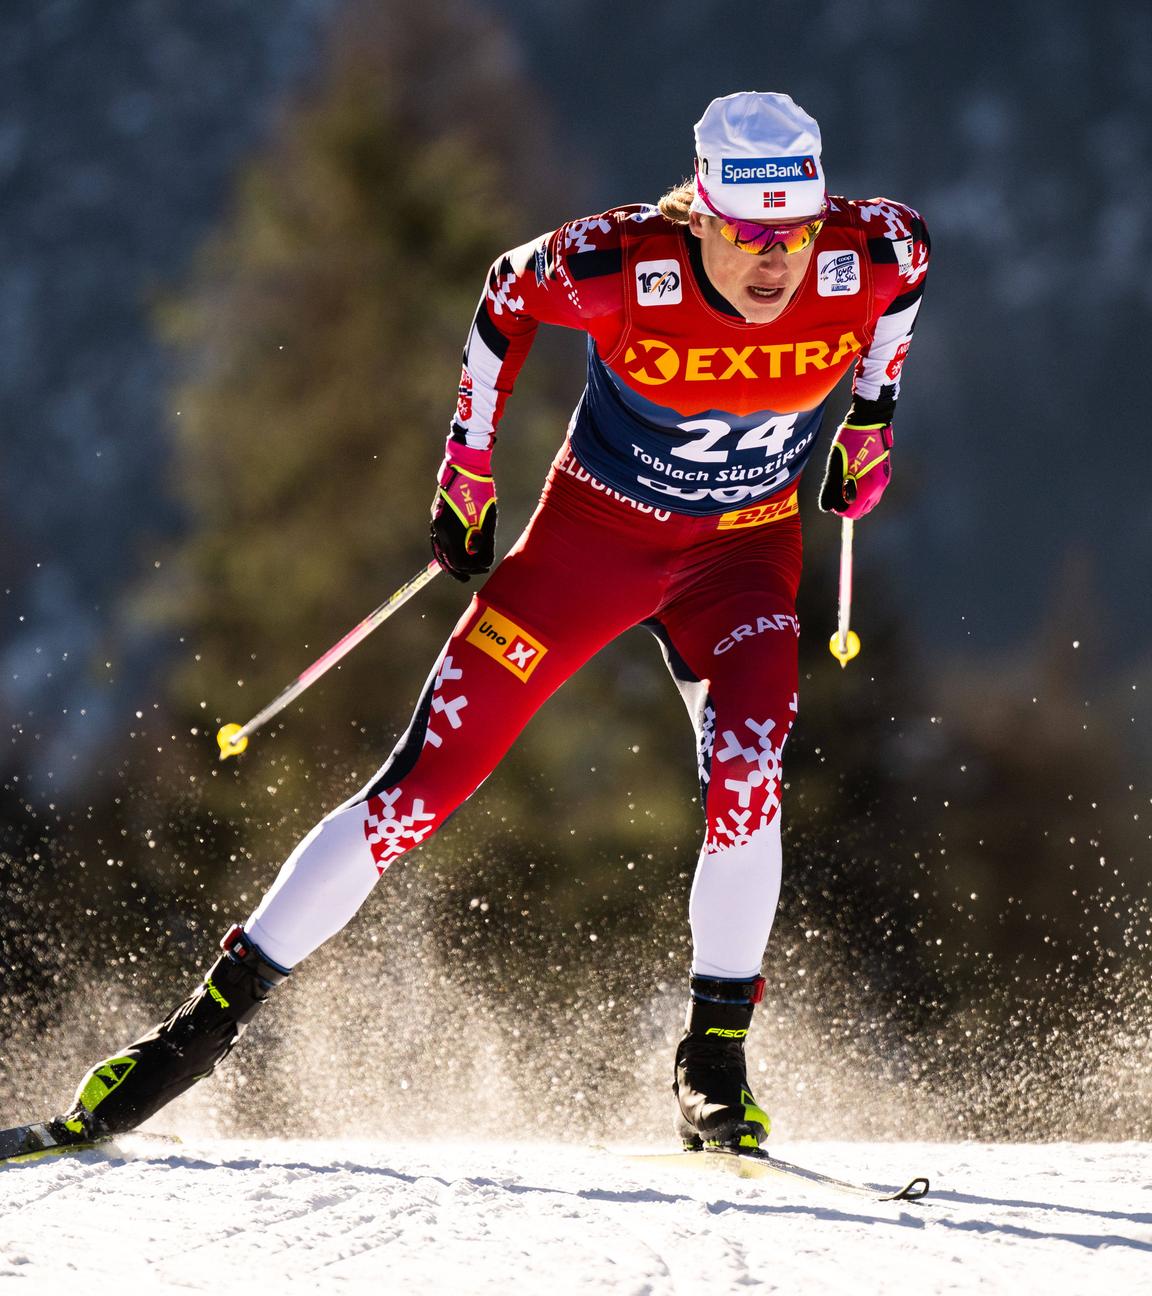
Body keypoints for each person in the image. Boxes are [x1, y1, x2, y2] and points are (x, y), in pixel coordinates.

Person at [53, 92, 929, 1152]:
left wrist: (873, 415)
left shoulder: (870, 248)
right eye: (747, 235)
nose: (775, 263)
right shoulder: (620, 265)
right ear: (699, 214)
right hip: (587, 553)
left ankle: (714, 1064)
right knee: (417, 791)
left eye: (793, 233)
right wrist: (465, 471)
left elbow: (911, 273)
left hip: (739, 559)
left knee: (750, 773)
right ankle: (193, 1037)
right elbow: (505, 292)